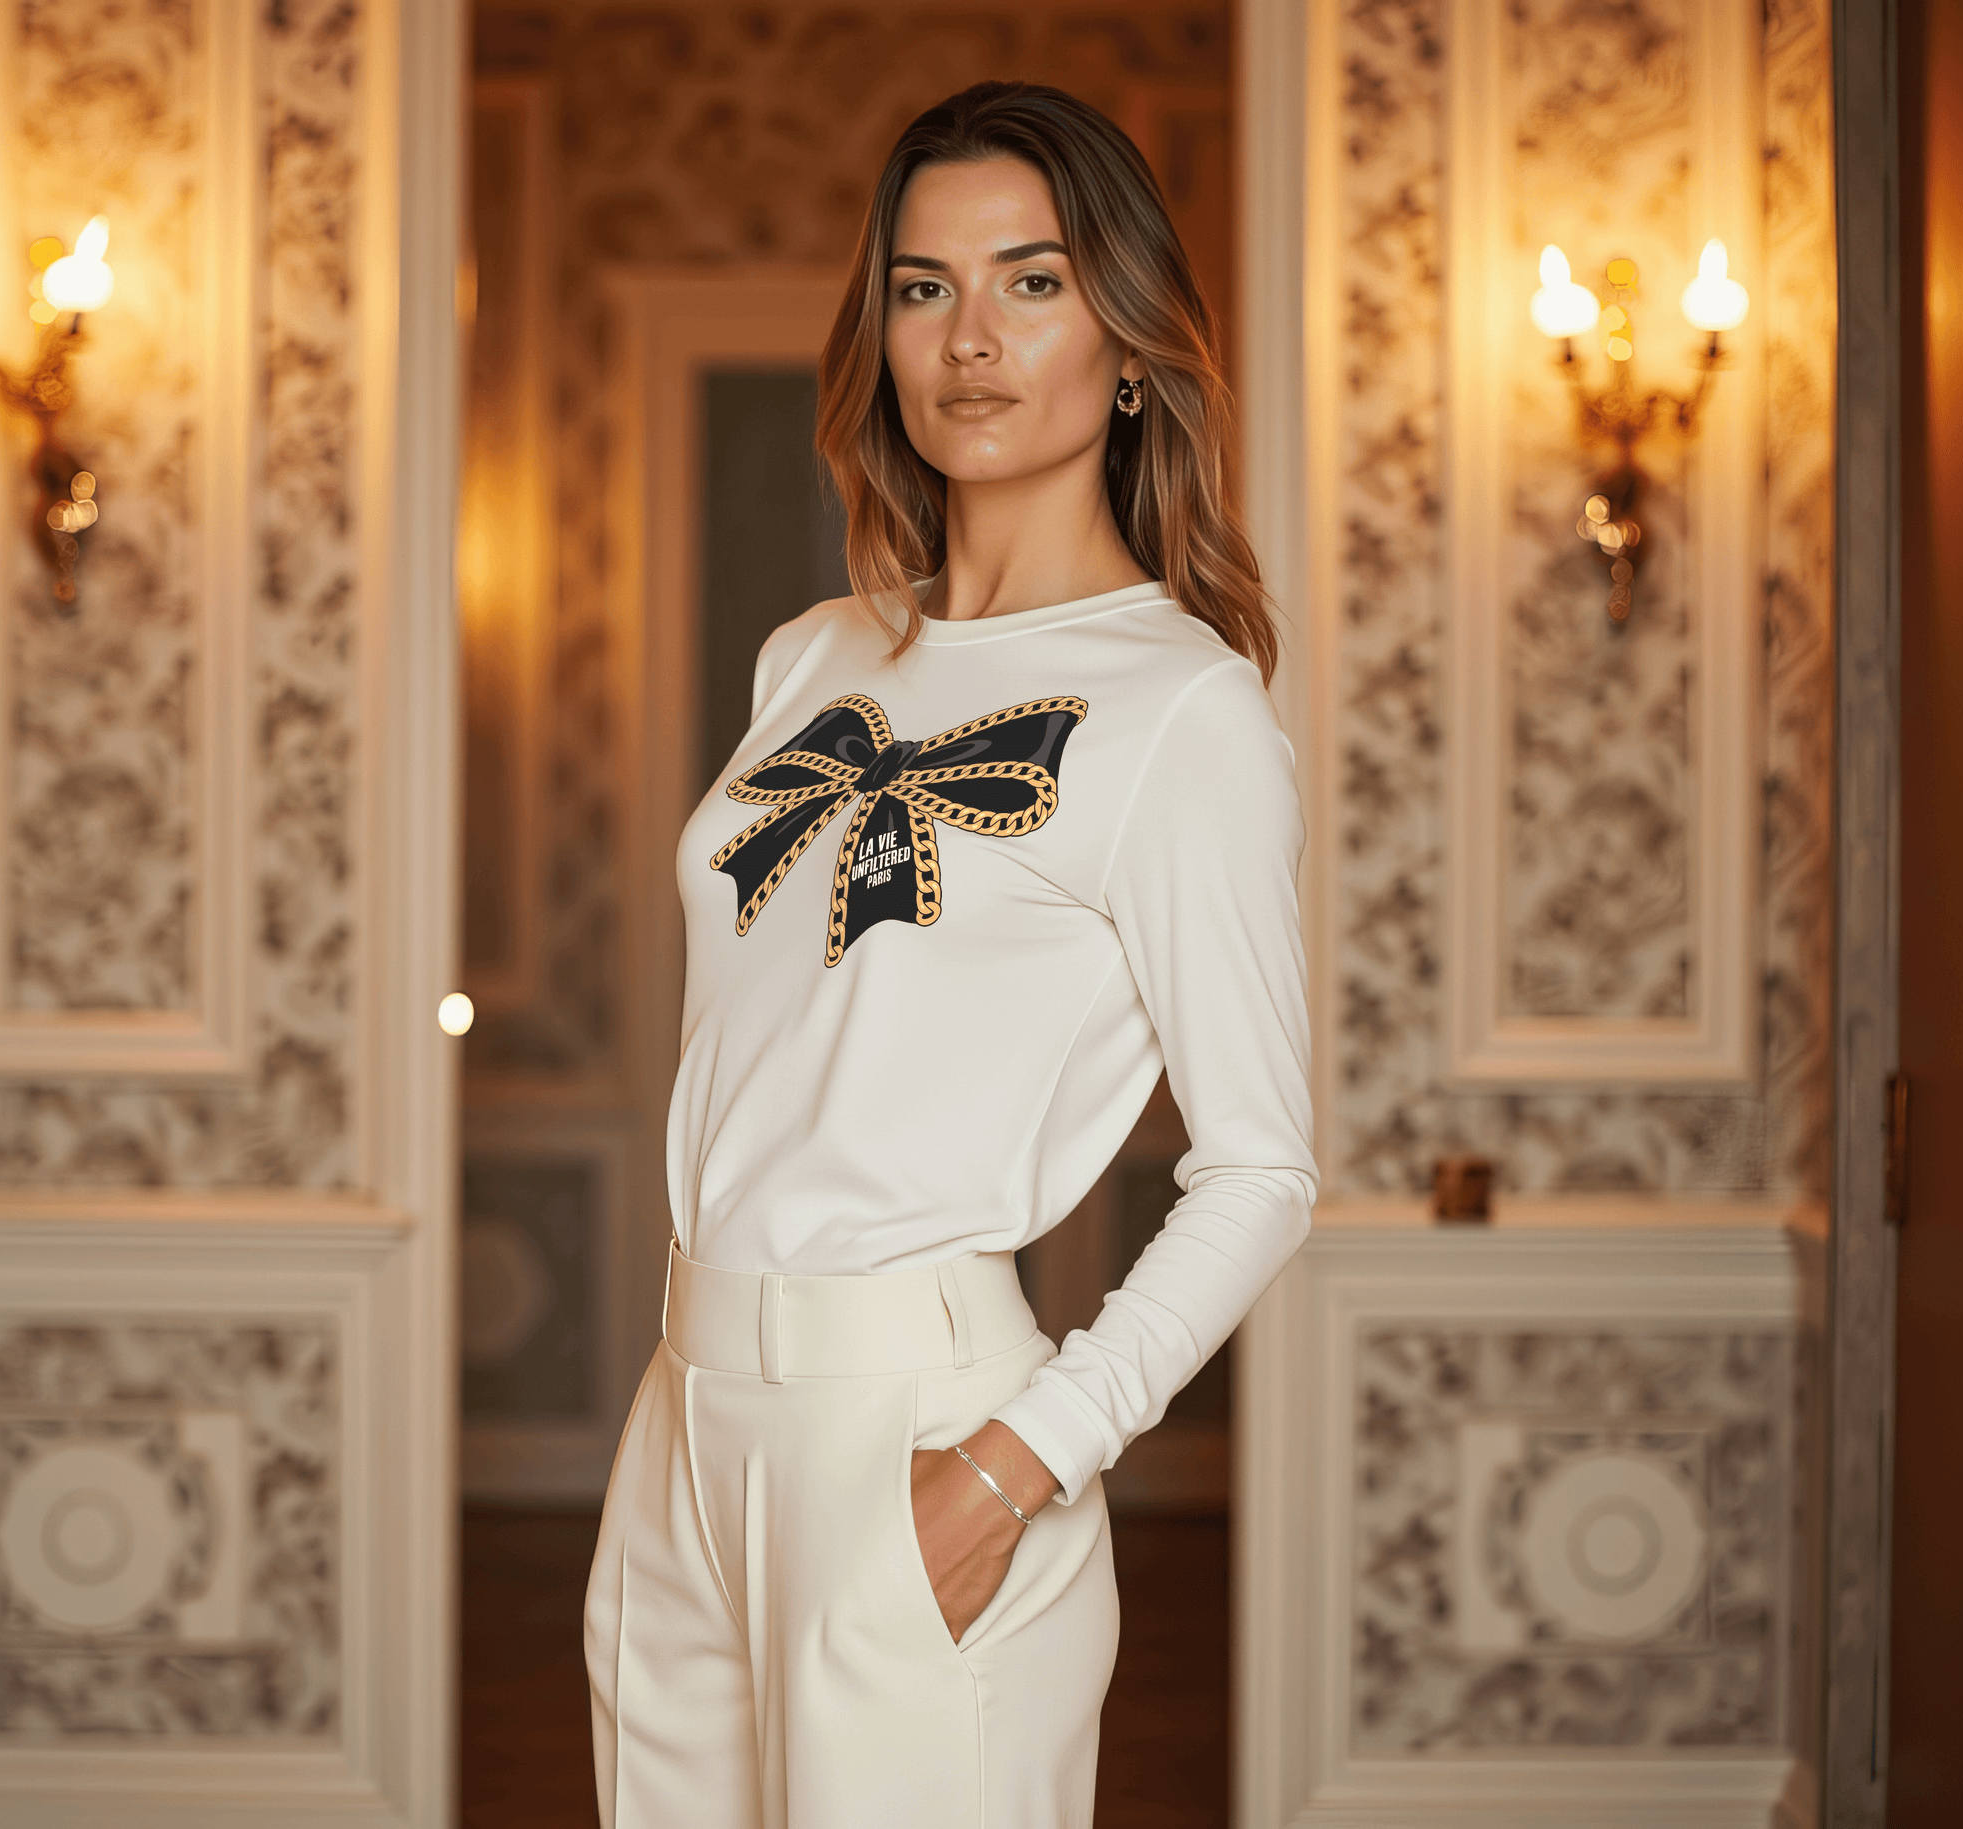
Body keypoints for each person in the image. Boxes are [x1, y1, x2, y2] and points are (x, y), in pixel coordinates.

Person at [583, 79, 1316, 1828]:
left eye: (1031, 283)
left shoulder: (1183, 709)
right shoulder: (811, 656)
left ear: (1129, 343)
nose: (969, 339)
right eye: (924, 288)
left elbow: (1265, 1171)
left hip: (926, 1430)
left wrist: (1015, 1468)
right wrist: (680, 1425)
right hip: (686, 1410)